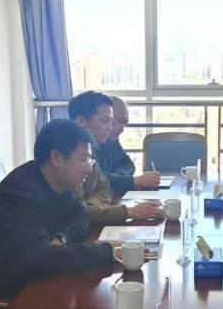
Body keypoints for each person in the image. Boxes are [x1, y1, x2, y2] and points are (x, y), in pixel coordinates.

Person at [0, 119, 115, 299]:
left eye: (89, 161)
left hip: (31, 283)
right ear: (56, 158)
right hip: (2, 299)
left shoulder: (61, 184)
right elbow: (44, 260)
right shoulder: (20, 194)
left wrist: (61, 237)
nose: (88, 170)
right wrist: (108, 250)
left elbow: (82, 216)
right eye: (83, 159)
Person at [69, 91, 164, 224]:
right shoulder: (67, 152)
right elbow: (75, 212)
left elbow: (104, 186)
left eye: (111, 121)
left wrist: (92, 206)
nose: (110, 128)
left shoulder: (100, 143)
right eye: (105, 121)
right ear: (81, 122)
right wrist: (128, 211)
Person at [97, 96, 160, 193]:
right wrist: (135, 181)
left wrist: (118, 177)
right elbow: (97, 180)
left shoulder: (112, 141)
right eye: (120, 121)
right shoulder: (87, 145)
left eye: (125, 124)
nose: (122, 129)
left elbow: (128, 164)